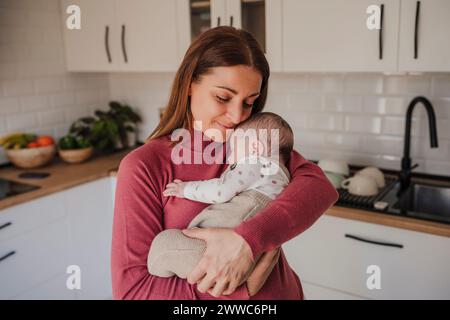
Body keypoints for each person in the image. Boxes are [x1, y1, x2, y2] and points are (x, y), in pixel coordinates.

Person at [111, 26, 338, 300]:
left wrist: (248, 239)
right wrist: (243, 290)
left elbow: (319, 188)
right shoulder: (144, 166)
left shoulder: (252, 141)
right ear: (189, 85)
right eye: (223, 97)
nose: (235, 116)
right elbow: (132, 292)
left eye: (249, 102)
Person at [147, 112, 293, 280]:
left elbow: (221, 191)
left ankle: (160, 274)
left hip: (211, 252)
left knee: (165, 244)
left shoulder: (255, 163)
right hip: (247, 263)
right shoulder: (284, 177)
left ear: (255, 148)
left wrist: (185, 189)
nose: (230, 156)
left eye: (235, 147)